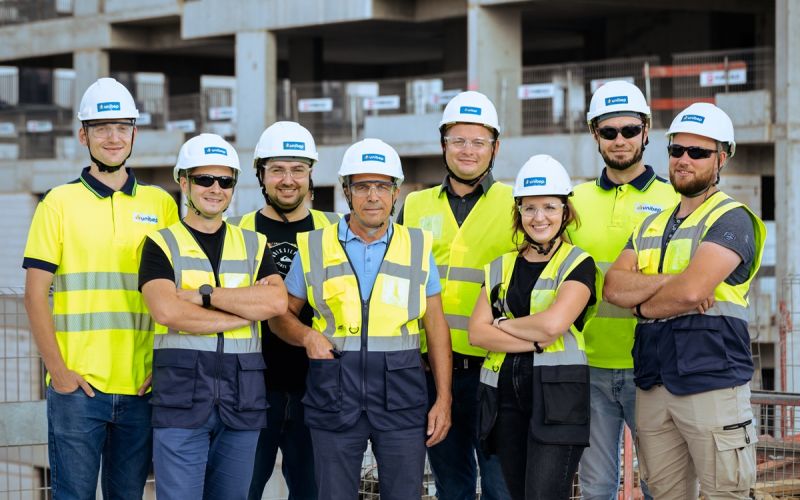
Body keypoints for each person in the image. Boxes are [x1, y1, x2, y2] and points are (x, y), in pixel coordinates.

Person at [22, 77, 178, 500]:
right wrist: (59, 373)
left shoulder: (160, 204)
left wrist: (161, 367)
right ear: (83, 135)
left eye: (122, 128)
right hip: (78, 391)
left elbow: (174, 296)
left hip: (141, 387)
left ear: (134, 135)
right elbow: (35, 294)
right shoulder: (58, 202)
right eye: (101, 128)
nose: (113, 137)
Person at [272, 138, 452, 500]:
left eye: (382, 186)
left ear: (396, 192)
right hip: (334, 394)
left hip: (401, 397)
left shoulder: (418, 246)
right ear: (346, 191)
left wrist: (444, 398)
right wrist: (307, 336)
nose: (373, 196)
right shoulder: (314, 246)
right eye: (362, 186)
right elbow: (281, 316)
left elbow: (436, 326)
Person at [604, 103, 765, 499]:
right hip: (654, 383)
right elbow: (613, 288)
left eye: (698, 152)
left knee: (725, 493)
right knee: (664, 494)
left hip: (712, 382)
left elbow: (692, 292)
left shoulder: (732, 219)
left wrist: (641, 304)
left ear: (721, 158)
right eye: (677, 151)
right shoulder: (651, 224)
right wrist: (678, 281)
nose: (684, 160)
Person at [139, 133, 288, 500]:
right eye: (205, 179)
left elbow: (276, 304)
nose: (215, 188)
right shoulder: (160, 243)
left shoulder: (253, 244)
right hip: (182, 396)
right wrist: (242, 313)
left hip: (243, 397)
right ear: (184, 182)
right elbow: (167, 310)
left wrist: (207, 297)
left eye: (225, 181)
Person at [398, 90, 514, 499]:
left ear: (495, 147)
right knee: (452, 487)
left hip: (497, 371)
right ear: (443, 144)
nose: (468, 150)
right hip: (431, 372)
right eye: (459, 140)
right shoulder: (413, 205)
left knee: (502, 488)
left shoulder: (519, 204)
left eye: (479, 141)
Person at [567, 80, 678, 500]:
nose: (620, 140)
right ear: (595, 134)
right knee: (595, 487)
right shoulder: (573, 201)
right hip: (589, 365)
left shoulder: (674, 200)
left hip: (653, 367)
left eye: (629, 130)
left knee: (659, 484)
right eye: (609, 131)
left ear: (647, 131)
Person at [469, 154, 599, 499]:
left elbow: (553, 324)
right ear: (518, 213)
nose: (539, 217)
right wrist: (532, 339)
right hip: (504, 398)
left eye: (549, 207)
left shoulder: (578, 263)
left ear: (565, 211)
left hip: (557, 397)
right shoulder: (498, 266)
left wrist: (503, 323)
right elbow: (477, 333)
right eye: (529, 208)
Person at [228, 121, 339, 500]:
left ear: (311, 175)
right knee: (241, 489)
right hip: (250, 389)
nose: (287, 179)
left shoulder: (334, 230)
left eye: (297, 169)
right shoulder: (236, 231)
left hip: (318, 387)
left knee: (313, 492)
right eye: (277, 169)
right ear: (261, 174)